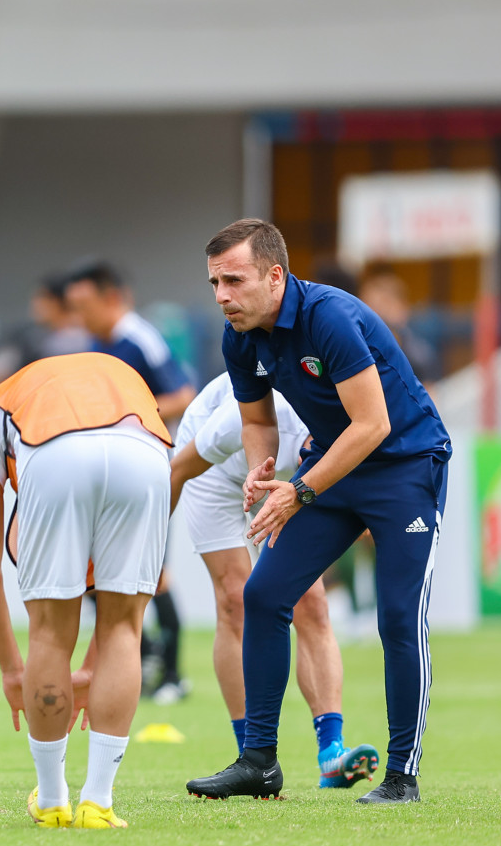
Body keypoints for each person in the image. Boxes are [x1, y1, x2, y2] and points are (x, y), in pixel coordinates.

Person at [186, 219, 450, 805]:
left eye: (234, 280)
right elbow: (256, 421)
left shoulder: (329, 316)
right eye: (213, 283)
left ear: (275, 276)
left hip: (405, 468)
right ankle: (259, 762)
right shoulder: (241, 335)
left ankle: (402, 776)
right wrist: (262, 469)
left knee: (398, 618)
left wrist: (299, 490)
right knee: (263, 596)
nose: (222, 295)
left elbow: (374, 425)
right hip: (333, 468)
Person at [0, 352, 172, 829]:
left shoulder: (0, 408)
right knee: (125, 628)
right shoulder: (121, 376)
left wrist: (12, 671)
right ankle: (98, 802)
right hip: (145, 452)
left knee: (48, 636)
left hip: (52, 450)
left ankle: (54, 799)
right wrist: (90, 670)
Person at [171, 373, 378, 789]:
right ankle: (253, 758)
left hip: (293, 489)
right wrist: (148, 556)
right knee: (238, 601)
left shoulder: (343, 432)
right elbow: (177, 471)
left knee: (312, 602)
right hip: (212, 472)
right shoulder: (236, 420)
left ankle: (332, 755)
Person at [64, 260, 196, 700]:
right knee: (96, 569)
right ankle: (144, 655)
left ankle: (173, 674)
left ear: (112, 298)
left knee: (152, 572)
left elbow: (181, 395)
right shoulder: (97, 343)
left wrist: (125, 416)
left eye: (84, 305)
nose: (78, 315)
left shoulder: (139, 338)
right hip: (106, 471)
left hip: (147, 470)